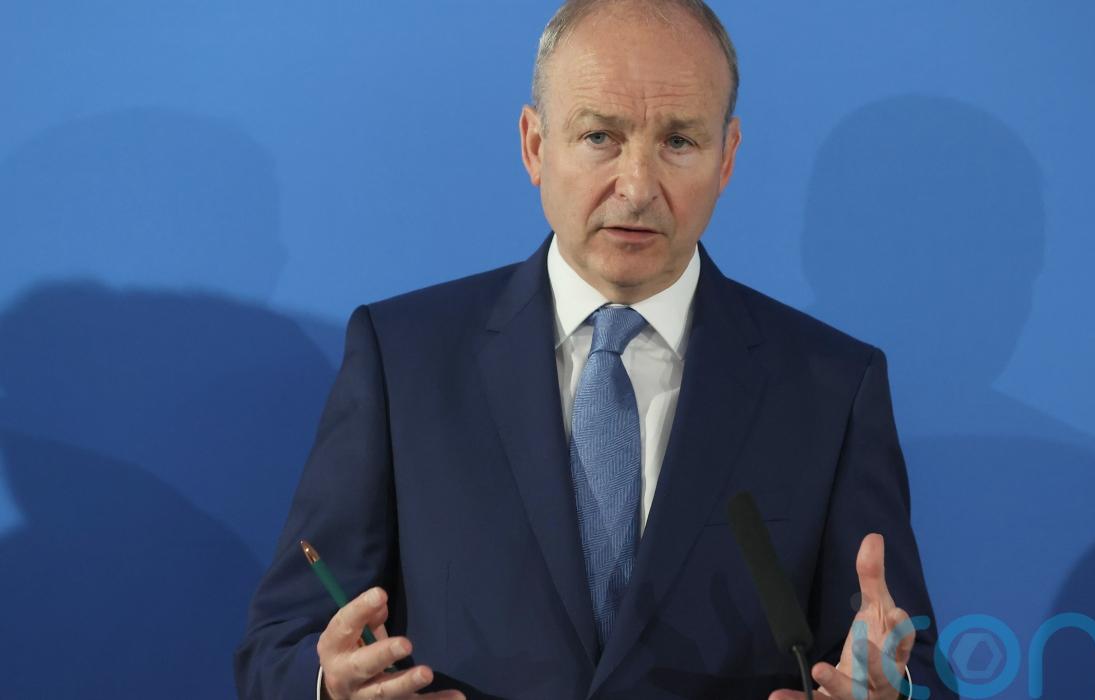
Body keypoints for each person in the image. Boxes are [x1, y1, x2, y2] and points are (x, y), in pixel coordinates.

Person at [235, 1, 952, 698]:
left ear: (727, 157)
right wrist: (332, 687)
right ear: (535, 145)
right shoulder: (404, 359)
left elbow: (907, 665)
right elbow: (280, 648)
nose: (637, 188)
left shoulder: (832, 388)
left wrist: (888, 696)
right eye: (600, 136)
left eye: (679, 142)